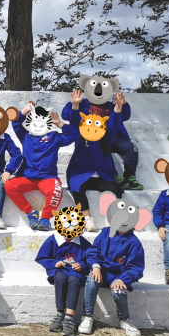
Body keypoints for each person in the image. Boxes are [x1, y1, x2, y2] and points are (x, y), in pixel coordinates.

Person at [5, 101, 80, 232]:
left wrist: (60, 123)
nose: (38, 124)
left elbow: (74, 136)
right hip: (27, 177)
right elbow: (15, 122)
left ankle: (45, 219)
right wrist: (24, 111)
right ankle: (31, 213)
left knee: (56, 191)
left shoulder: (54, 137)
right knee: (9, 185)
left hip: (47, 178)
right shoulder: (25, 136)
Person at [63, 90, 127, 232]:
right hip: (81, 175)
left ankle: (110, 218)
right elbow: (74, 122)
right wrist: (75, 104)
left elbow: (115, 120)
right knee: (76, 188)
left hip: (102, 175)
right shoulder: (80, 136)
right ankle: (87, 218)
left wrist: (118, 104)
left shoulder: (107, 136)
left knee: (115, 190)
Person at [35, 204, 92, 336]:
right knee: (59, 279)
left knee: (74, 280)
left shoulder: (83, 243)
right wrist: (55, 263)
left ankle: (69, 318)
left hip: (75, 272)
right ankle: (60, 313)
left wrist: (82, 265)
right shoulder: (53, 240)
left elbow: (91, 258)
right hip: (59, 271)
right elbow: (42, 257)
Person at [79, 223, 146, 336]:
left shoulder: (134, 242)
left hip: (119, 276)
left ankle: (125, 320)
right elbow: (94, 250)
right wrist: (95, 266)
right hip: (101, 272)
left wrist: (123, 279)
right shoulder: (105, 233)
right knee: (91, 279)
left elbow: (136, 267)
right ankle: (87, 316)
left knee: (118, 290)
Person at [73, 85, 142, 190]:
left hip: (114, 136)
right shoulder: (83, 104)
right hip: (94, 138)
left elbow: (125, 116)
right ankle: (113, 176)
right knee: (101, 148)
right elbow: (68, 116)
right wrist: (75, 103)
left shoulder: (110, 105)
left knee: (131, 148)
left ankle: (130, 177)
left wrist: (123, 104)